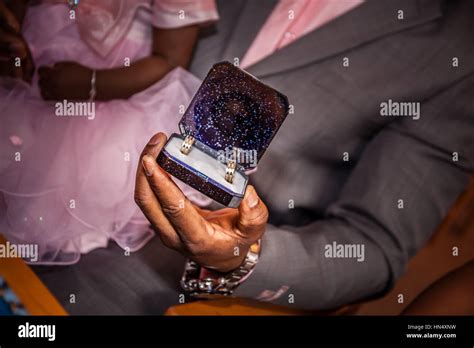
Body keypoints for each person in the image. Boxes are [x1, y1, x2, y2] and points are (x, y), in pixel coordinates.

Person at [32, 0, 474, 314]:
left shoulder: (459, 51)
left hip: (145, 266)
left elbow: (373, 244)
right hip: (38, 142)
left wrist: (238, 258)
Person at [0, 0, 218, 264]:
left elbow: (171, 60)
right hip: (28, 74)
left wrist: (93, 84)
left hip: (113, 93)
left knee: (54, 195)